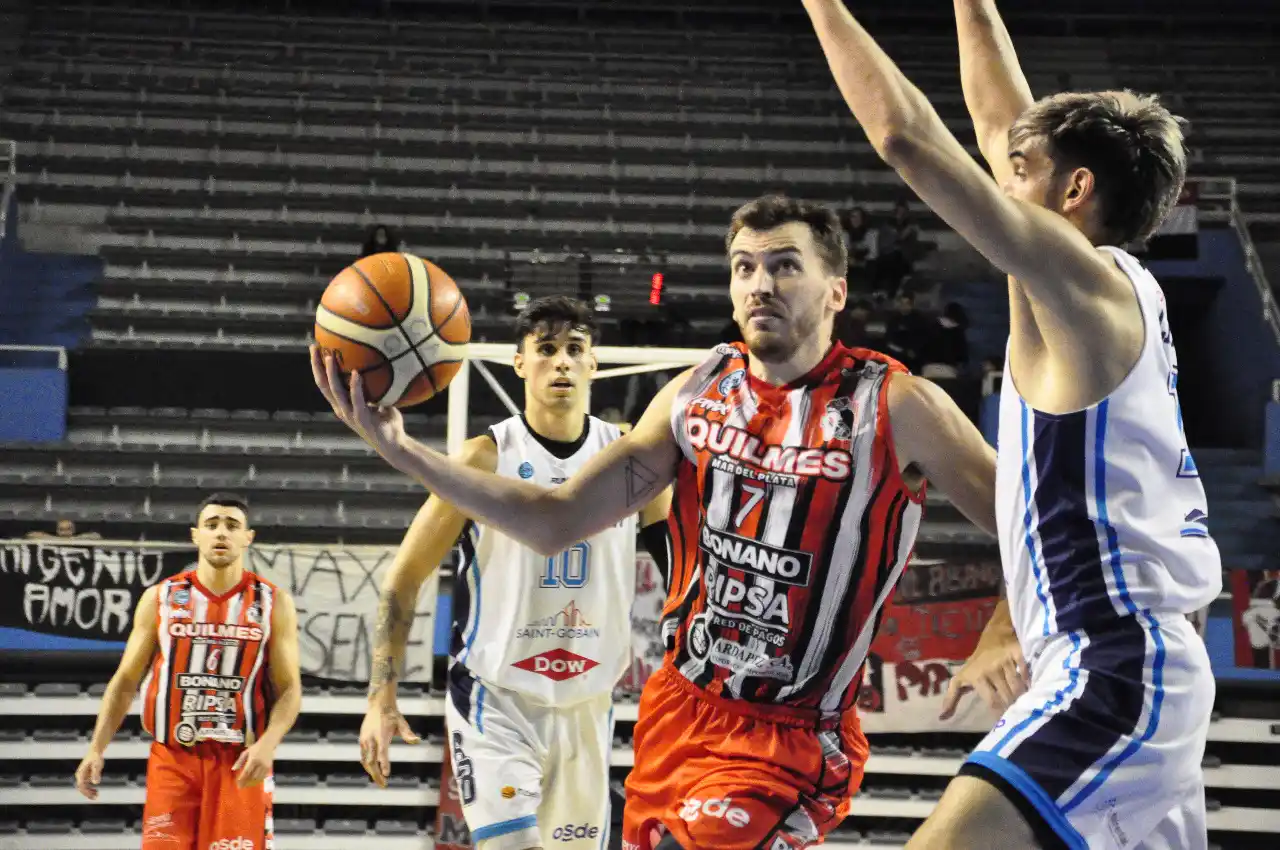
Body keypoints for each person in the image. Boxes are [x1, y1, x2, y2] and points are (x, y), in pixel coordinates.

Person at [313, 194, 1001, 850]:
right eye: (744, 267)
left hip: (786, 734)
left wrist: (1004, 631)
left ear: (836, 291)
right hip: (675, 710)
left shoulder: (898, 406)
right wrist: (402, 451)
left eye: (785, 265)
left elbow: (1035, 527)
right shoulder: (695, 395)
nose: (761, 284)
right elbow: (556, 521)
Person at [802, 1, 1222, 847]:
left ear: (1076, 191)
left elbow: (905, 138)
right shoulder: (1101, 288)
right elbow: (1002, 121)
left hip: (1114, 668)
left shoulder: (1087, 284)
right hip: (1139, 661)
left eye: (1019, 171)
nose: (1001, 179)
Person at [357, 295, 672, 850]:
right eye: (545, 349)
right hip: (496, 699)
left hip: (588, 703)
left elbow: (684, 572)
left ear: (594, 362)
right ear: (519, 363)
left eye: (574, 348)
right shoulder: (484, 458)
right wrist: (381, 697)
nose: (561, 361)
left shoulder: (629, 457)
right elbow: (404, 577)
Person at [74, 494, 302, 850]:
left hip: (239, 761)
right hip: (173, 758)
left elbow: (289, 690)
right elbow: (126, 681)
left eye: (232, 525)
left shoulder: (272, 602)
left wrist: (268, 745)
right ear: (196, 535)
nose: (221, 533)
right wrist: (96, 748)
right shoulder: (161, 597)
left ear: (248, 537)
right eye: (212, 525)